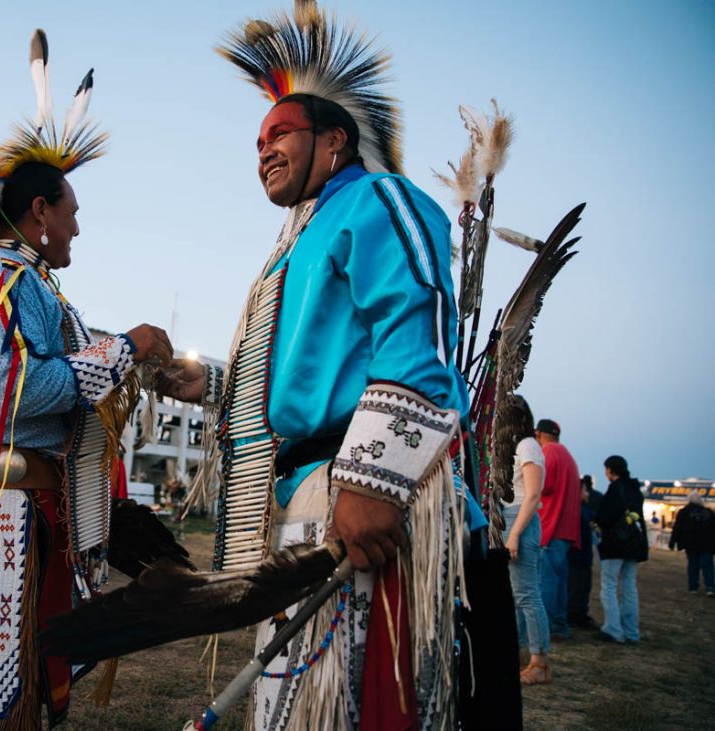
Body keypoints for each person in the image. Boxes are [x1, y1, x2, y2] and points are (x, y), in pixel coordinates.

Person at [161, 4, 470, 726]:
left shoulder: (377, 200)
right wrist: (209, 386)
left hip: (359, 496)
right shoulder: (291, 246)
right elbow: (297, 381)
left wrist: (370, 480)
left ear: (333, 140)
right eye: (256, 141)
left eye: (279, 135)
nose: (263, 150)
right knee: (298, 707)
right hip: (308, 499)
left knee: (353, 704)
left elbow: (413, 327)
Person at [0, 33, 174, 729]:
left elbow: (62, 376)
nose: (78, 226)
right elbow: (28, 389)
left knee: (19, 688)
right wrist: (126, 346)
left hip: (25, 510)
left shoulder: (29, 283)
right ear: (40, 212)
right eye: (70, 210)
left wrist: (139, 359)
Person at [499, 396, 552, 684]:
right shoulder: (516, 447)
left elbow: (533, 495)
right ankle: (524, 656)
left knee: (528, 596)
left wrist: (515, 535)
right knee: (517, 595)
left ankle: (540, 663)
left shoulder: (528, 446)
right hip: (511, 517)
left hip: (521, 519)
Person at [534, 417, 581, 639]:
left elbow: (544, 485)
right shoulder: (568, 456)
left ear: (539, 434)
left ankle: (546, 626)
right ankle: (560, 624)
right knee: (560, 580)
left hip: (551, 527)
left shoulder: (549, 452)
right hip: (567, 529)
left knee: (546, 581)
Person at [594, 455, 647, 644]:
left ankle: (613, 629)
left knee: (608, 586)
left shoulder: (615, 489)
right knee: (630, 587)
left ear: (610, 470)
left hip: (615, 544)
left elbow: (605, 517)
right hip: (633, 545)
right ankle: (632, 632)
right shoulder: (635, 490)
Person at [668, 490, 715, 596]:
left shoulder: (684, 512)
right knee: (708, 565)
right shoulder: (709, 512)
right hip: (708, 544)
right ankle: (710, 587)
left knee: (693, 565)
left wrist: (672, 541)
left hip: (691, 543)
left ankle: (693, 587)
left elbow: (677, 528)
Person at [567, 475, 599, 628]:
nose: (588, 494)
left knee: (583, 586)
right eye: (585, 490)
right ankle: (576, 615)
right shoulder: (579, 511)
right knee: (578, 587)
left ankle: (579, 614)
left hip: (583, 557)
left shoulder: (583, 509)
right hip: (579, 557)